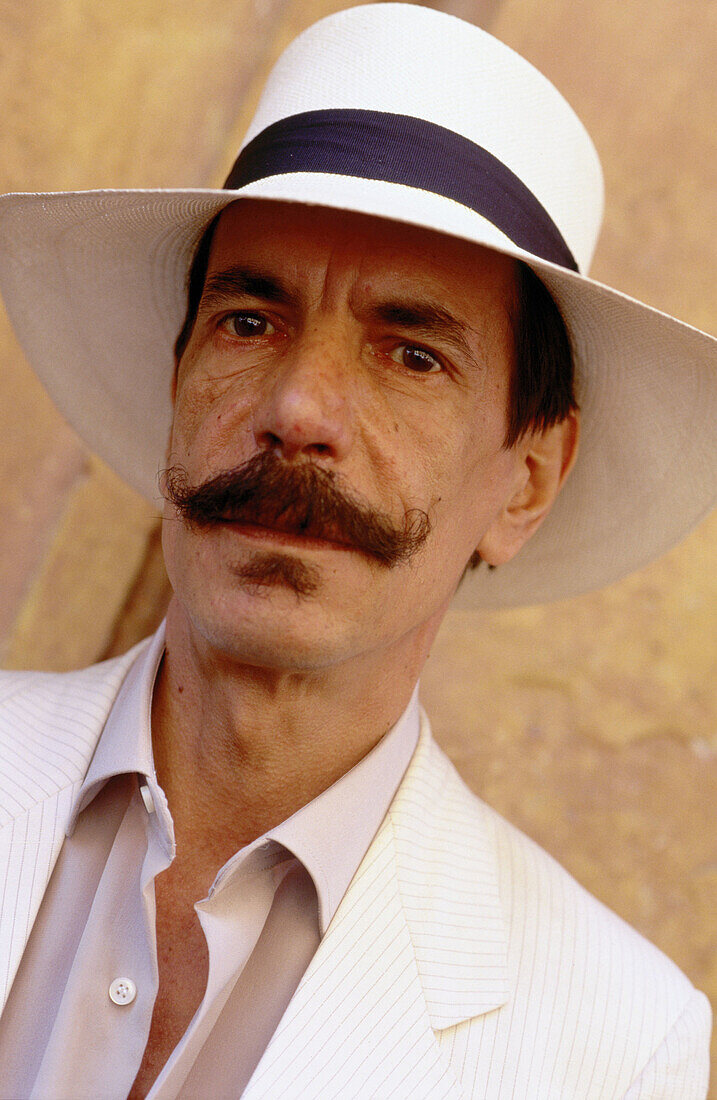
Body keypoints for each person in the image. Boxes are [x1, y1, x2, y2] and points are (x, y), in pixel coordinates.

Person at [0, 3, 714, 1097]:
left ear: (524, 482)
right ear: (178, 379)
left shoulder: (611, 1043)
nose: (297, 408)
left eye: (411, 354)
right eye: (250, 320)